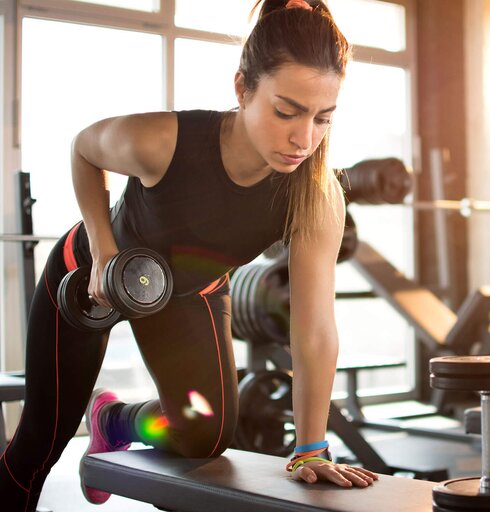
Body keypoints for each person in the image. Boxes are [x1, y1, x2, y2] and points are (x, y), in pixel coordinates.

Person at [0, 1, 379, 510]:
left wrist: (310, 449)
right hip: (93, 275)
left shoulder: (316, 195)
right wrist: (104, 249)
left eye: (322, 119)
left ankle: (114, 420)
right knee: (40, 443)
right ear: (243, 87)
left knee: (207, 434)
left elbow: (313, 328)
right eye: (286, 111)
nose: (303, 139)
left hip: (186, 291)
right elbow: (84, 149)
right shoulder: (164, 141)